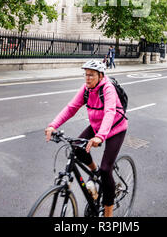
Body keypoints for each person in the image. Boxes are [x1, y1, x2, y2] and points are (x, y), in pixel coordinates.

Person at [45, 59, 127, 218]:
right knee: (76, 147)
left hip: (116, 128)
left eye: (92, 75)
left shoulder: (108, 89)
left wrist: (100, 136)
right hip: (97, 126)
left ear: (100, 75)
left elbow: (110, 112)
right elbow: (71, 108)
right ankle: (94, 171)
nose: (88, 78)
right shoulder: (87, 89)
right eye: (86, 74)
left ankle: (108, 215)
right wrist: (53, 125)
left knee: (106, 170)